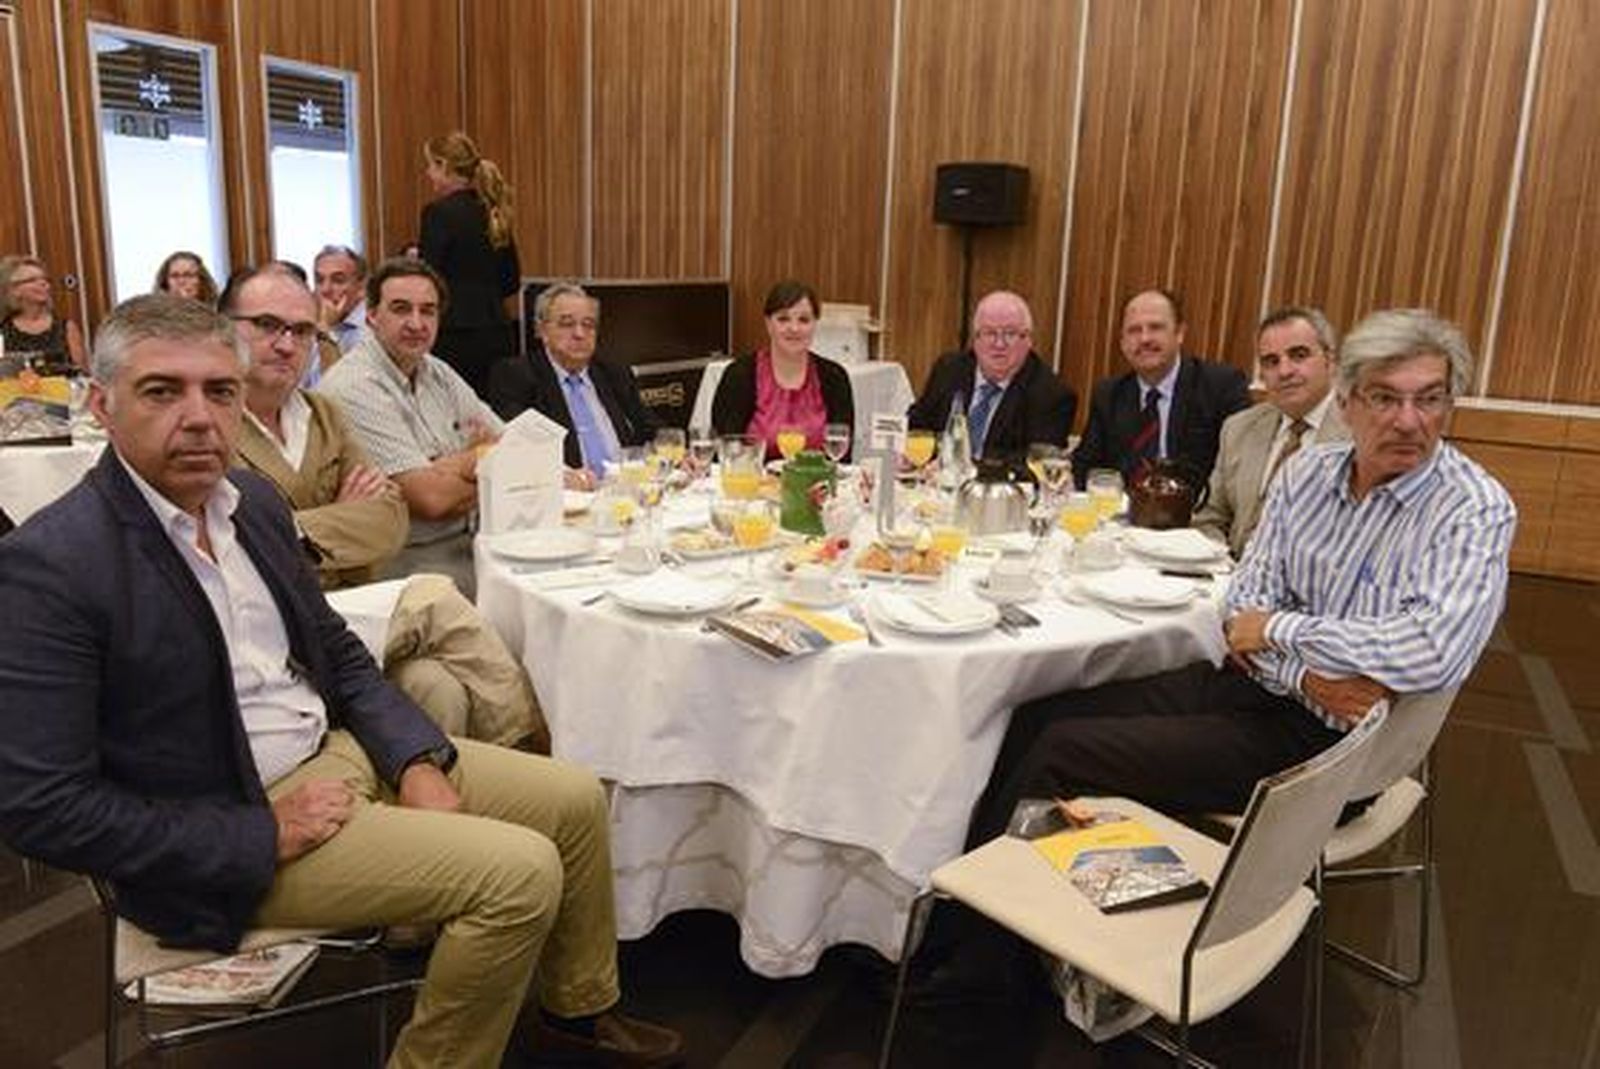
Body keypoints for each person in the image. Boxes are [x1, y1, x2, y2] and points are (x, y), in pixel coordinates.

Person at [0, 294, 682, 1068]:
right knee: (518, 875)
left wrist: (415, 757)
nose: (198, 416)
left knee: (573, 799)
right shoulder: (54, 563)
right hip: (227, 817)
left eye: (220, 391)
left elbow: (337, 651)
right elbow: (41, 807)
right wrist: (264, 830)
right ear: (102, 402)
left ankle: (578, 1010)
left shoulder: (249, 504)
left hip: (333, 753)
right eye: (162, 390)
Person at [932, 308, 1516, 1003]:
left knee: (1064, 751)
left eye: (1430, 397)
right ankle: (1014, 929)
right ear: (1352, 399)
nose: (1410, 420)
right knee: (1033, 711)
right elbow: (1242, 603)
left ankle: (970, 961)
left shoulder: (1474, 508)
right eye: (1387, 397)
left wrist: (1279, 632)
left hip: (1331, 751)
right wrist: (1300, 662)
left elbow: (1429, 651)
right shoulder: (1310, 476)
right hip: (1259, 688)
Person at [320, 258, 503, 597]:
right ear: (371, 316)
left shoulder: (438, 372)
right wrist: (481, 463)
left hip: (470, 541)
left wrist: (453, 466)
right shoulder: (353, 385)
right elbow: (432, 500)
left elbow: (511, 444)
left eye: (428, 311)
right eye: (401, 309)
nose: (417, 323)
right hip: (403, 563)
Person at [225, 263, 408, 588]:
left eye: (303, 331)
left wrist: (291, 534)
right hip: (264, 620)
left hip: (351, 601)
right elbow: (234, 550)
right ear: (224, 329)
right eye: (267, 325)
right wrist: (343, 518)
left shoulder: (324, 413)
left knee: (443, 605)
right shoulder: (208, 425)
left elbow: (390, 520)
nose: (286, 345)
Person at [1193, 306, 1350, 556]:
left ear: (1330, 361)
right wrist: (1219, 563)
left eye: (1298, 355)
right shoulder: (1239, 428)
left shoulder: (1360, 435)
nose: (1284, 371)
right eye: (1271, 361)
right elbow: (1209, 517)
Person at [1070, 288, 1249, 489]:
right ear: (1122, 343)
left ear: (1179, 333)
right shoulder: (1109, 394)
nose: (1145, 339)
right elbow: (1084, 468)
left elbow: (1236, 474)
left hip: (1194, 515)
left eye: (1155, 327)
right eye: (1134, 330)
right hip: (1119, 515)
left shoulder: (1221, 387)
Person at [487, 281, 658, 484]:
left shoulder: (614, 372)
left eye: (588, 325)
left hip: (625, 490)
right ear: (542, 330)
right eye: (567, 324)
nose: (579, 334)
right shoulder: (516, 376)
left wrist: (674, 452)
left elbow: (650, 428)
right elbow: (517, 448)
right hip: (565, 497)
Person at [906, 290, 1076, 472]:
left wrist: (968, 470)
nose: (999, 344)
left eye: (1010, 334)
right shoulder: (949, 369)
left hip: (1001, 495)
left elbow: (1035, 465)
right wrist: (905, 451)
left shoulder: (1052, 395)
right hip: (935, 486)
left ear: (1028, 340)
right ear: (976, 338)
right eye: (989, 333)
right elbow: (918, 425)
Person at [419, 131, 521, 395]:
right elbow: (512, 281)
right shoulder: (494, 211)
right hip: (499, 333)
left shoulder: (438, 213)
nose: (428, 173)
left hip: (454, 336)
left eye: (430, 165)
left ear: (443, 166)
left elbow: (427, 281)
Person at [711, 279, 853, 461]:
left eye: (804, 320)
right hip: (753, 484)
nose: (794, 328)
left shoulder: (835, 377)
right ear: (768, 324)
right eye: (783, 319)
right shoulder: (739, 375)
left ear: (815, 324)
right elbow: (726, 452)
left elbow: (842, 458)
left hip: (816, 485)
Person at [0, 255, 88, 372]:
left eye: (45, 279)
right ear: (14, 290)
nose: (43, 283)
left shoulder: (67, 328)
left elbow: (83, 375)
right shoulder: (3, 330)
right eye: (32, 280)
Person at [313, 244, 369, 355]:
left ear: (361, 287)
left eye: (338, 280)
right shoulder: (313, 322)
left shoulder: (372, 329)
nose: (325, 289)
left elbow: (338, 372)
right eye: (319, 280)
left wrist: (326, 330)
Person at [153, 250, 219, 305]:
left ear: (201, 280)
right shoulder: (151, 315)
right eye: (174, 276)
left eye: (188, 275)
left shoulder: (219, 315)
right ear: (165, 282)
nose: (181, 281)